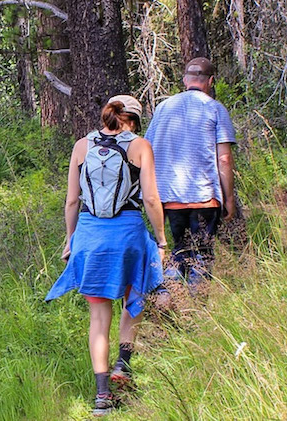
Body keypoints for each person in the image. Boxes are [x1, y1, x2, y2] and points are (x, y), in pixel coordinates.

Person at [45, 95, 166, 417]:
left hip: (90, 236)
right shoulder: (140, 146)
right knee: (134, 297)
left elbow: (72, 201)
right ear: (134, 120)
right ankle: (123, 365)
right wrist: (161, 240)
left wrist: (70, 240)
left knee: (99, 318)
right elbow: (151, 199)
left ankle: (102, 396)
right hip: (127, 236)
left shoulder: (81, 146)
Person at [144, 57, 237, 294]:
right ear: (211, 81)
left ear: (185, 80)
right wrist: (229, 199)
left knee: (179, 251)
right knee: (202, 256)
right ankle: (197, 310)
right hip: (205, 197)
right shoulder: (215, 109)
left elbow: (147, 150)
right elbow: (224, 159)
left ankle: (171, 301)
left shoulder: (163, 108)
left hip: (171, 199)